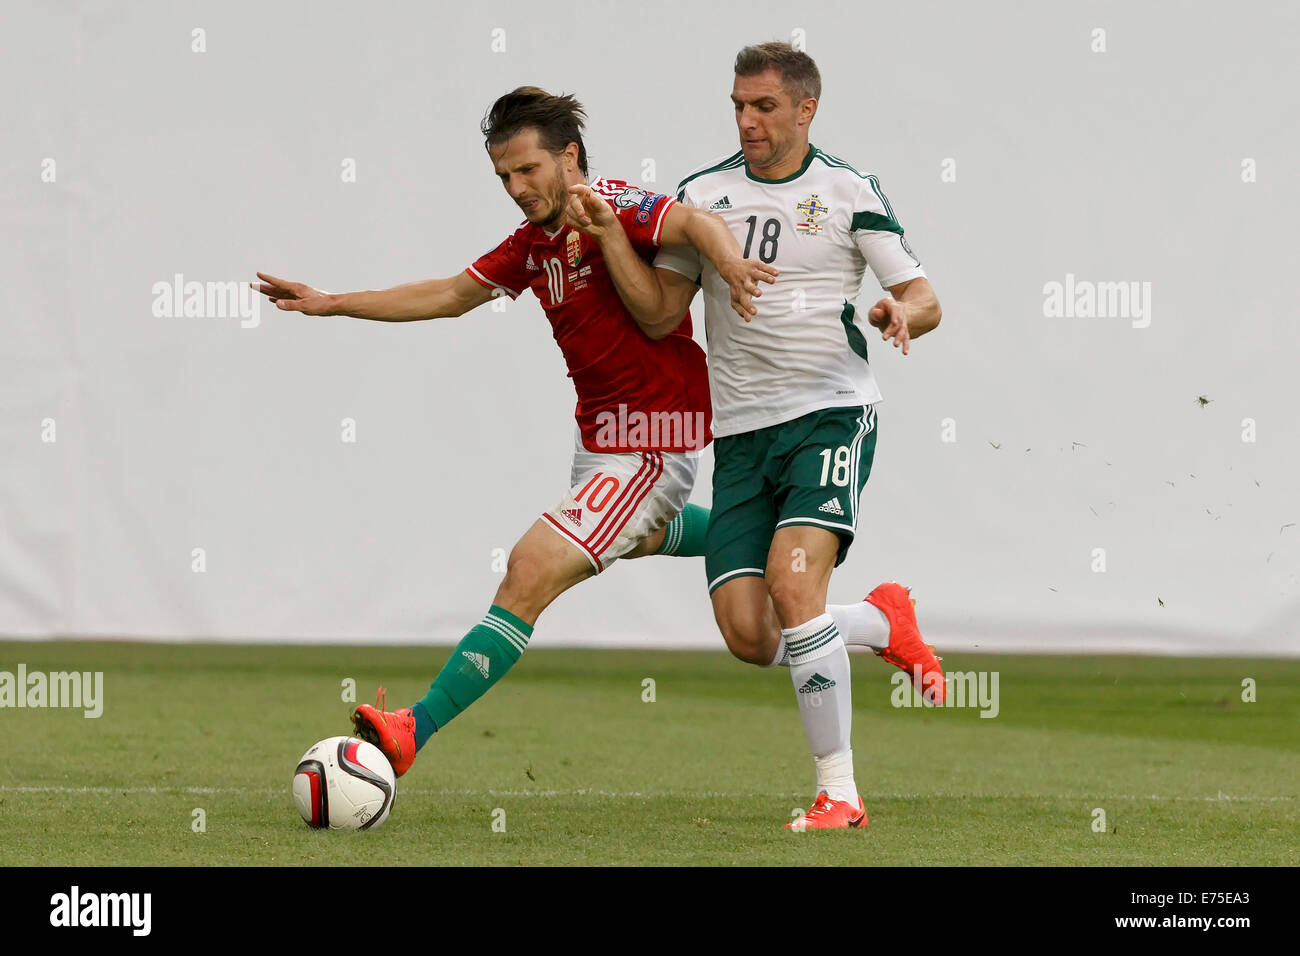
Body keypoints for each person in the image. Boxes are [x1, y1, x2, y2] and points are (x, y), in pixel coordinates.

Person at [255, 86, 775, 775]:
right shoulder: (533, 244)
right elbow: (448, 295)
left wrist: (732, 261)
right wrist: (333, 303)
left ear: (570, 156)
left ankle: (415, 726)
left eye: (528, 170)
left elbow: (697, 224)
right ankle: (806, 567)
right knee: (645, 535)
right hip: (599, 446)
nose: (516, 187)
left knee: (527, 570)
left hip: (650, 444)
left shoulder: (616, 204)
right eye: (504, 176)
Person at [566, 44, 945, 829]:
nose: (747, 120)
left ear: (806, 109)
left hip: (830, 413)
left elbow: (921, 292)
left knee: (793, 583)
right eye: (739, 105)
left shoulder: (847, 189)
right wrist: (608, 238)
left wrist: (903, 312)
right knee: (750, 632)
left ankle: (840, 791)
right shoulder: (702, 196)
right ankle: (880, 622)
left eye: (765, 107)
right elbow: (663, 313)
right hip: (738, 434)